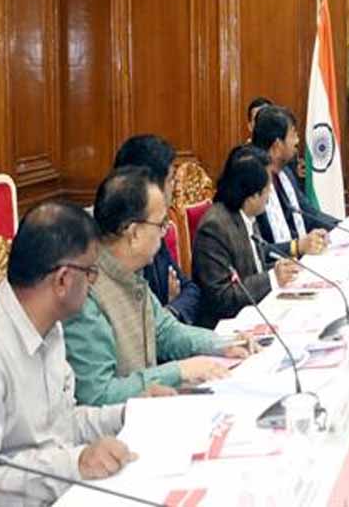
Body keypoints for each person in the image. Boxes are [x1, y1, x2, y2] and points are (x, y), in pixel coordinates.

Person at [0, 203, 135, 505]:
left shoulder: (51, 327)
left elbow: (61, 425)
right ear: (63, 279)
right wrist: (74, 466)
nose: (93, 285)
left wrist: (128, 414)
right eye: (91, 273)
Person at [64, 167, 250, 405]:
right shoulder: (85, 290)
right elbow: (99, 395)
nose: (164, 234)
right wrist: (179, 371)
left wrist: (223, 344)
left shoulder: (130, 273)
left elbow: (165, 332)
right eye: (161, 224)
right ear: (133, 233)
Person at [192, 145, 302, 329]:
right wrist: (272, 278)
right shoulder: (215, 227)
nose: (270, 195)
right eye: (267, 189)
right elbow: (222, 297)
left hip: (256, 313)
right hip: (226, 327)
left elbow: (253, 267)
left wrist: (283, 268)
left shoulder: (247, 215)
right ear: (252, 196)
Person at [113, 134, 201, 323]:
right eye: (170, 180)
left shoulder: (153, 229)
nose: (174, 188)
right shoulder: (110, 244)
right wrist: (162, 319)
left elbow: (191, 290)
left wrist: (170, 311)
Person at [251, 106, 340, 252]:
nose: (297, 141)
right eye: (293, 135)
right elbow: (253, 250)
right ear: (277, 145)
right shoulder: (252, 182)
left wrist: (344, 227)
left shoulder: (285, 173)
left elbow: (309, 214)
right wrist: (296, 247)